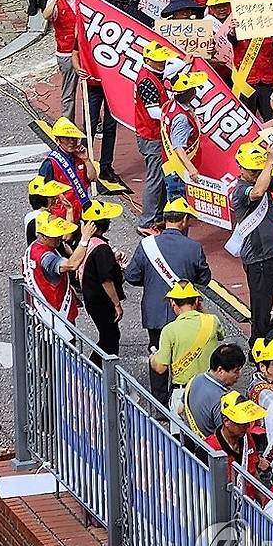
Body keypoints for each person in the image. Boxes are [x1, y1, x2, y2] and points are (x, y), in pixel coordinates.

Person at [124, 198, 212, 402]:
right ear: (182, 221)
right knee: (186, 355)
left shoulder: (146, 245)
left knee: (158, 354)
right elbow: (204, 279)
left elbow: (132, 276)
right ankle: (183, 400)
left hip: (154, 312)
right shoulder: (193, 247)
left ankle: (159, 402)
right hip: (186, 312)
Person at [230, 142, 273, 342]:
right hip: (259, 259)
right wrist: (269, 162)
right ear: (241, 168)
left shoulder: (263, 179)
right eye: (252, 171)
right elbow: (257, 192)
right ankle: (257, 348)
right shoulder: (241, 191)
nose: (256, 174)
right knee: (261, 309)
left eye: (258, 171)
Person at [149, 280, 223, 416]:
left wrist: (153, 359)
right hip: (210, 388)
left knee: (180, 436)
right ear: (196, 301)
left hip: (182, 392)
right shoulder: (212, 321)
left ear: (173, 303)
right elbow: (221, 336)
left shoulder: (169, 330)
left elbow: (160, 368)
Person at [23, 210, 97, 329]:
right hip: (56, 315)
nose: (60, 237)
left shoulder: (35, 248)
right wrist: (85, 239)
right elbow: (71, 264)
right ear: (44, 236)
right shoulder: (47, 258)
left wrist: (69, 212)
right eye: (55, 235)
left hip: (42, 313)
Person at [132, 40, 178, 230]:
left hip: (154, 134)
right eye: (158, 61)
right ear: (147, 60)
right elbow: (153, 112)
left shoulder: (153, 74)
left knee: (160, 177)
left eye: (163, 61)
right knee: (156, 179)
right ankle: (147, 221)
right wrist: (175, 116)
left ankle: (156, 216)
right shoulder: (148, 82)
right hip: (151, 136)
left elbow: (176, 65)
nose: (162, 64)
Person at [77, 200, 125, 357]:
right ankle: (99, 371)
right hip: (101, 301)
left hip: (91, 298)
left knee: (108, 336)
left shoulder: (87, 242)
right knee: (110, 338)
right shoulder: (101, 249)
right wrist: (116, 304)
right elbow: (107, 280)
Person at [43, 0, 83, 122]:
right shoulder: (56, 2)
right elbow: (46, 15)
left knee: (92, 90)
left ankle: (94, 122)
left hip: (84, 51)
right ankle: (68, 123)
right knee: (69, 91)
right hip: (66, 53)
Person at [38, 116, 97, 224]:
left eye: (74, 138)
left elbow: (93, 178)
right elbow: (42, 194)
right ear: (58, 140)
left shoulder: (80, 157)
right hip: (61, 216)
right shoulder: (50, 164)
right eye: (66, 138)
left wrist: (86, 160)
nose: (71, 141)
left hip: (82, 213)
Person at [205, 391, 267, 489]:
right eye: (242, 423)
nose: (247, 426)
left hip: (248, 500)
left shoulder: (246, 437)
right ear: (226, 422)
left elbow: (253, 471)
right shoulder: (209, 448)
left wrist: (264, 501)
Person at [160, 71, 206, 201]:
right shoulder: (181, 118)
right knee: (179, 209)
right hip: (179, 171)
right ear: (188, 93)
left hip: (170, 166)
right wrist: (191, 169)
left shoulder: (170, 105)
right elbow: (178, 147)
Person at [183, 342, 246, 437]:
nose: (239, 375)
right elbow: (227, 434)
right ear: (220, 370)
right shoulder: (223, 400)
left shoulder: (195, 379)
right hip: (212, 448)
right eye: (236, 371)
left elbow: (181, 410)